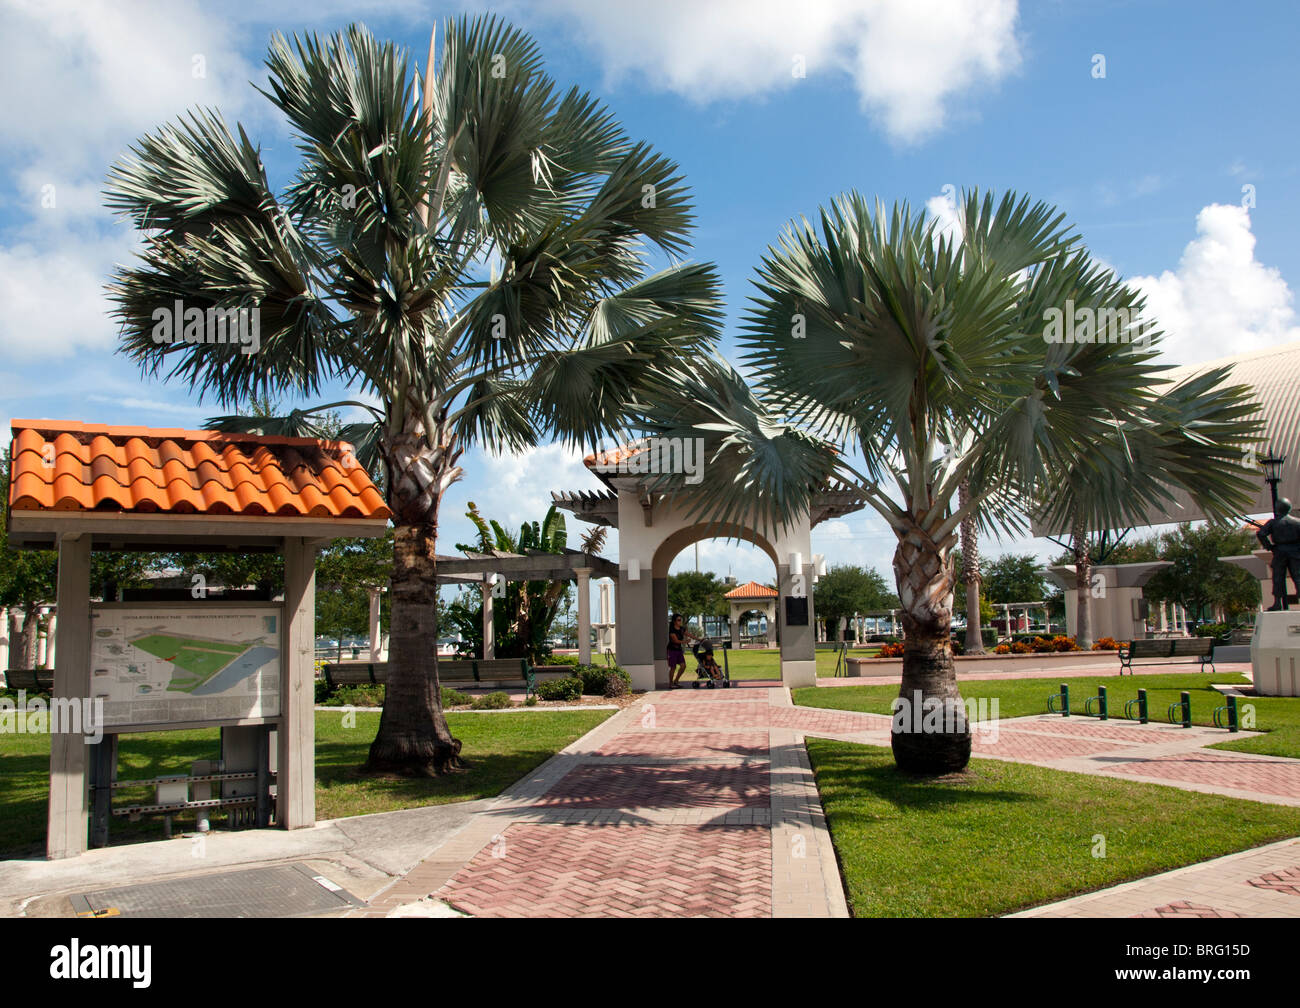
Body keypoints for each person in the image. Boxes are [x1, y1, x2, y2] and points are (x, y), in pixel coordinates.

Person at [1257, 497, 1300, 611]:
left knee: (1278, 578)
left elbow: (1261, 534)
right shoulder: (1297, 522)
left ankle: (1277, 603)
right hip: (1295, 552)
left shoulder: (1273, 522)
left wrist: (1269, 547)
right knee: (1298, 577)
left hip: (1280, 551)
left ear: (1277, 508)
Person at [666, 613, 698, 689]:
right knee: (673, 667)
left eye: (681, 620)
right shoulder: (672, 630)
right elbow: (676, 641)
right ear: (674, 621)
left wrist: (699, 639)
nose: (680, 621)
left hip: (679, 650)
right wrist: (685, 641)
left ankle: (676, 681)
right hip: (671, 650)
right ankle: (670, 684)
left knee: (683, 666)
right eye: (679, 620)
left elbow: (689, 634)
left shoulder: (681, 629)